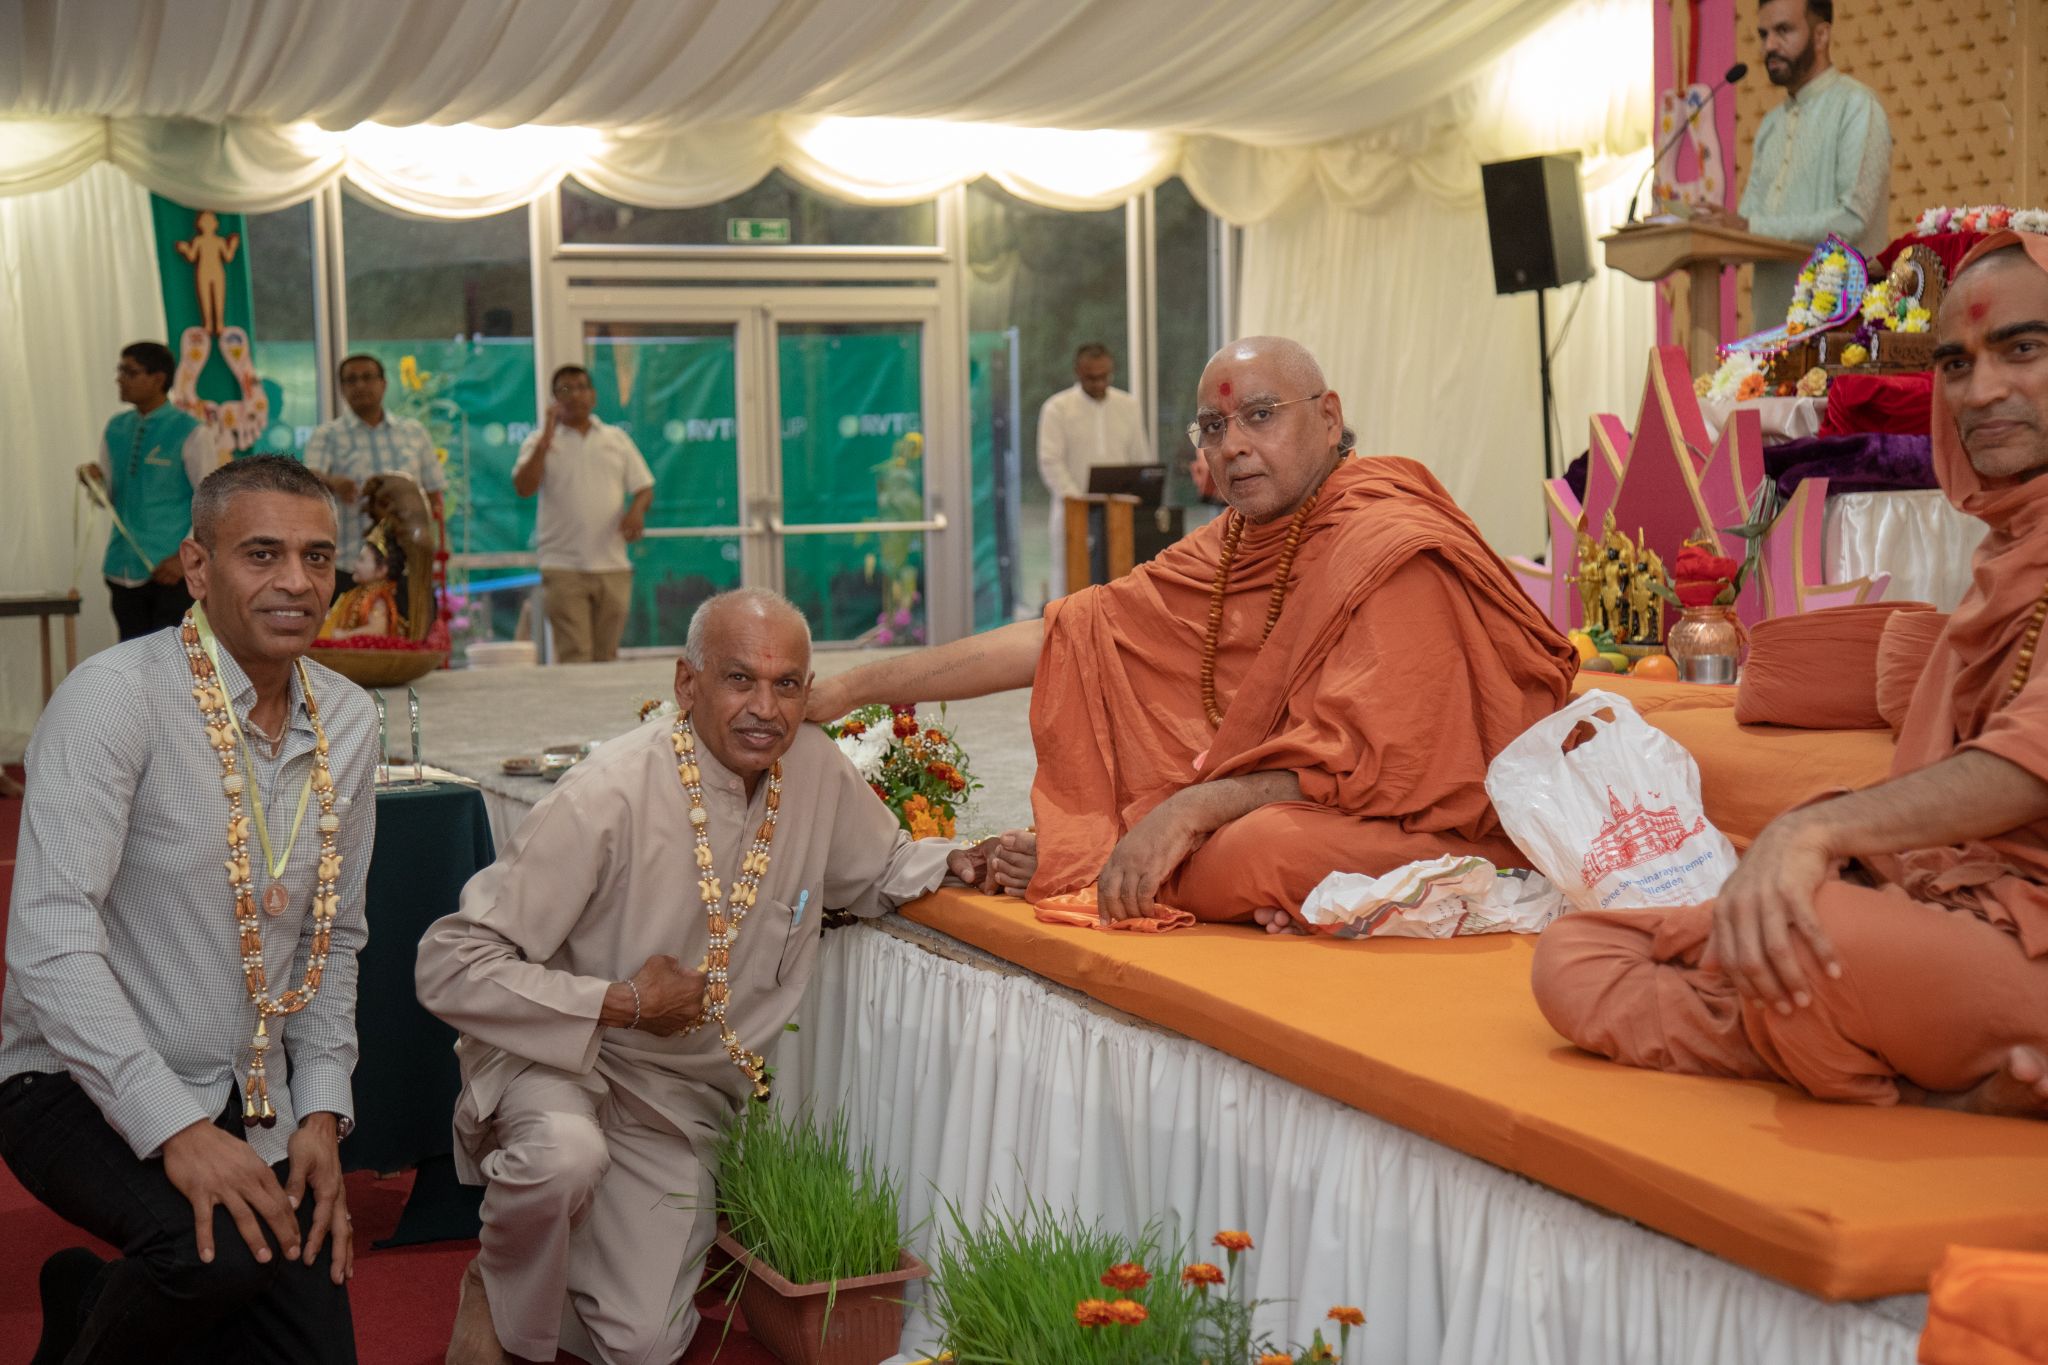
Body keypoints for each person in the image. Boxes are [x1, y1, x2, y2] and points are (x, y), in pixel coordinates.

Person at [1531, 231, 2048, 1117]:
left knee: (1811, 936)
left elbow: (2020, 764)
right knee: (1574, 955)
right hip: (1953, 906)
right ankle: (1922, 1065)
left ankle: (1893, 1066)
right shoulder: (2010, 556)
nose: (1982, 389)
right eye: (1956, 364)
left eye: (2024, 349)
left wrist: (1813, 836)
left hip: (2026, 939)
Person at [809, 336, 1577, 928]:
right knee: (1248, 839)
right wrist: (853, 685)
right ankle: (1148, 855)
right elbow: (1069, 635)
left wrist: (1187, 809)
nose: (1234, 443)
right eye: (1214, 426)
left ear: (1330, 416)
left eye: (1260, 415)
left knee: (1262, 847)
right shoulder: (1238, 540)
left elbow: (1382, 760)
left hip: (1432, 822)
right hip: (1314, 809)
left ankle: (1117, 855)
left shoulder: (1389, 540)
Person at [415, 588, 987, 1365]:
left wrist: (959, 861)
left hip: (675, 1103)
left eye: (788, 684)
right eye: (739, 679)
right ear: (689, 685)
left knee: (646, 1346)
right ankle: (496, 1281)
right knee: (564, 1156)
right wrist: (620, 1002)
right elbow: (451, 962)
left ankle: (564, 1262)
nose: (766, 707)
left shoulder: (811, 769)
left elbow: (879, 865)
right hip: (558, 1062)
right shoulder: (607, 792)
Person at [0, 455, 376, 1362]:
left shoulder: (350, 717)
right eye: (262, 554)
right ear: (197, 567)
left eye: (318, 557)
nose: (297, 581)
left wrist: (320, 1113)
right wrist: (173, 1127)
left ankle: (92, 1291)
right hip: (72, 1078)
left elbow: (336, 934)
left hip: (251, 1096)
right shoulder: (115, 698)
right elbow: (50, 945)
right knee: (208, 1260)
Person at [1703, 0, 1892, 324]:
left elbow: (1852, 220)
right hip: (1770, 329)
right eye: (1763, 34)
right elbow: (1749, 225)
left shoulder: (1857, 106)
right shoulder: (1771, 125)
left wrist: (1749, 227)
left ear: (1821, 35)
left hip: (1840, 332)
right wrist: (1706, 236)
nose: (1768, 46)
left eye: (1783, 31)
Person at [512, 364, 655, 663]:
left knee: (606, 657)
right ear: (553, 399)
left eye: (581, 387)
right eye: (565, 389)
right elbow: (524, 487)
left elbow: (644, 487)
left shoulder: (616, 438)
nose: (575, 395)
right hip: (563, 565)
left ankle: (604, 712)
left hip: (612, 564)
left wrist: (636, 513)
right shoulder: (539, 441)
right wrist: (545, 441)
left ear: (593, 395)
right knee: (575, 654)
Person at [76, 341, 216, 640]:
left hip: (170, 570)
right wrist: (94, 483)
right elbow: (109, 499)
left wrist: (183, 558)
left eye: (130, 371)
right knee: (130, 657)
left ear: (158, 379)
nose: (120, 378)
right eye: (120, 370)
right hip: (121, 567)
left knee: (173, 661)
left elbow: (211, 502)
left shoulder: (191, 431)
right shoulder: (116, 427)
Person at [302, 353, 446, 594]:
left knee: (412, 632)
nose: (360, 385)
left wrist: (428, 544)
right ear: (341, 388)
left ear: (384, 384)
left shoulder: (414, 432)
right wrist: (332, 482)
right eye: (351, 380)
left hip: (408, 566)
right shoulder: (327, 435)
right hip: (350, 566)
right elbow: (306, 479)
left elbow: (434, 496)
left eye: (368, 377)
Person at [1037, 342, 1155, 598]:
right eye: (1092, 378)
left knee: (1122, 589)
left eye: (1105, 376)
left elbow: (1140, 459)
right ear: (1078, 372)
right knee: (1073, 592)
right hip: (1074, 514)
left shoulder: (1128, 406)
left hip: (1120, 516)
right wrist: (1077, 498)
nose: (1099, 383)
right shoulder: (1057, 408)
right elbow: (1050, 461)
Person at [318, 522, 408, 642]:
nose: (355, 565)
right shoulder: (358, 593)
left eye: (361, 560)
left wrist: (345, 635)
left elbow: (378, 629)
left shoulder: (379, 598)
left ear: (382, 570)